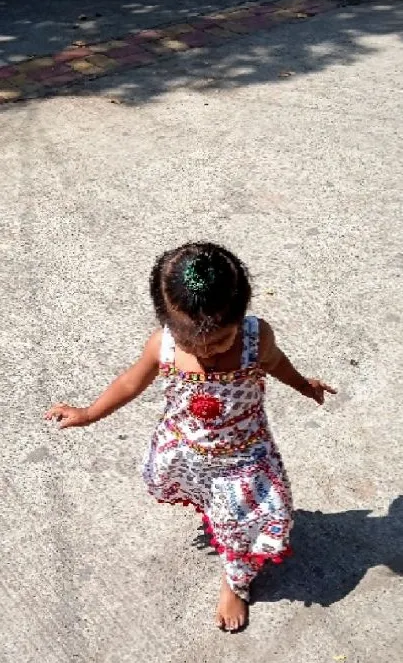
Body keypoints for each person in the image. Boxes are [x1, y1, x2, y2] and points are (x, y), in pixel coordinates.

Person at [45, 242, 335, 632]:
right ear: (165, 320)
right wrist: (88, 413)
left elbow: (277, 363)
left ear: (242, 316)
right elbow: (131, 382)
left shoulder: (255, 338)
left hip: (244, 456)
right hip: (188, 447)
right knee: (211, 502)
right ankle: (214, 513)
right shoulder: (161, 345)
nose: (206, 352)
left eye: (218, 340)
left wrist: (302, 384)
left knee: (242, 523)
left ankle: (235, 583)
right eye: (191, 344)